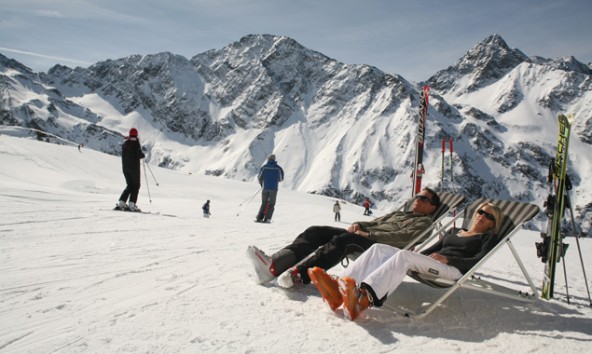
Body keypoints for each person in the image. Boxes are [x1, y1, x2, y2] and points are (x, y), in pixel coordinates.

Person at [308, 202, 502, 320]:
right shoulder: (454, 231)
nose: (482, 216)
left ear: (493, 222)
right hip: (436, 262)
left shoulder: (487, 238)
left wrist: (447, 258)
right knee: (378, 248)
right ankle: (337, 289)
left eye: (488, 216)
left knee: (403, 256)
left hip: (453, 268)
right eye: (480, 212)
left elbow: (475, 261)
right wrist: (419, 256)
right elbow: (432, 250)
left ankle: (364, 299)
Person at [247, 188, 441, 289]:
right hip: (367, 238)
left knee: (343, 241)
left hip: (382, 250)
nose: (418, 200)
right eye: (418, 196)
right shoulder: (401, 214)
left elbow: (401, 238)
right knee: (317, 231)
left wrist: (368, 234)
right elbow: (375, 221)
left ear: (432, 207)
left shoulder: (424, 224)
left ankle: (300, 275)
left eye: (424, 199)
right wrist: (360, 225)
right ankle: (275, 265)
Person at [115, 128, 145, 212]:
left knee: (129, 185)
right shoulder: (135, 143)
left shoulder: (125, 143)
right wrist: (143, 154)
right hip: (134, 169)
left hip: (125, 168)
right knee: (136, 185)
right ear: (136, 134)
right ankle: (131, 204)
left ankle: (121, 203)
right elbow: (139, 155)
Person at [255, 154, 284, 223]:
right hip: (273, 188)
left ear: (268, 159)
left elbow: (259, 177)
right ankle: (267, 219)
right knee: (271, 204)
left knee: (264, 203)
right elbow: (281, 179)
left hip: (265, 188)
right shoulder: (278, 168)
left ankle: (259, 218)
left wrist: (262, 183)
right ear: (274, 159)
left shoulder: (264, 167)